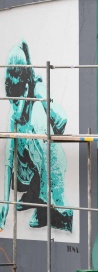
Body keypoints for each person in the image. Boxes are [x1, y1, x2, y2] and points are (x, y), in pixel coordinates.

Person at [0, 42, 72, 232]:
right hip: (35, 163)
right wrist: (5, 202)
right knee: (18, 156)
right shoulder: (14, 115)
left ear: (24, 89)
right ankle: (35, 192)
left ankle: (50, 206)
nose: (14, 107)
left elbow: (49, 156)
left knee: (36, 145)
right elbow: (8, 161)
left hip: (52, 167)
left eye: (16, 101)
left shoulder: (37, 109)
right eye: (12, 102)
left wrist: (47, 200)